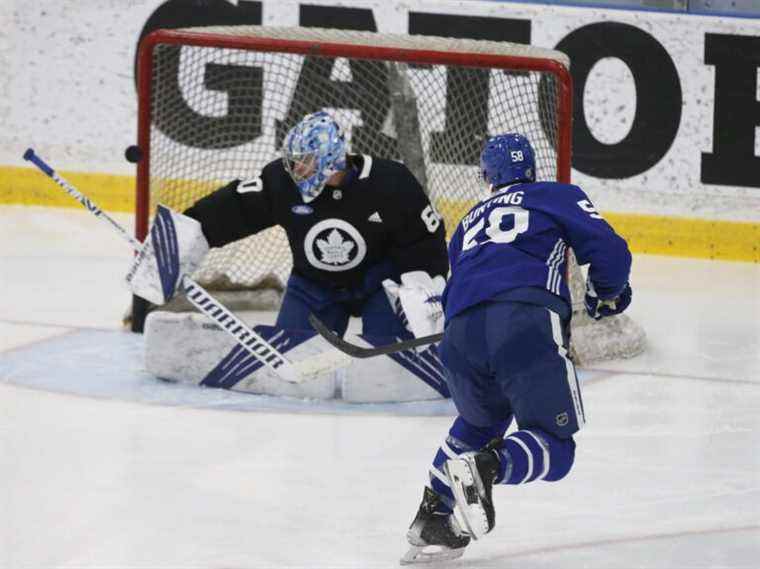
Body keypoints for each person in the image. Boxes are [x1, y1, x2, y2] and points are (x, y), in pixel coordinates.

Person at [401, 133, 632, 564]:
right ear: (531, 171)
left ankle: (431, 517)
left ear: (488, 178)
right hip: (524, 321)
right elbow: (611, 251)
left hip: (460, 336)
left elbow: (454, 295)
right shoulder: (554, 196)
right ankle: (490, 467)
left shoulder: (468, 223)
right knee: (556, 448)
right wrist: (606, 294)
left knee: (477, 421)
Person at [183, 111, 449, 338]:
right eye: (294, 160)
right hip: (313, 286)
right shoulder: (282, 181)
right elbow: (237, 207)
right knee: (291, 356)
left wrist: (425, 288)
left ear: (331, 157)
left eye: (306, 161)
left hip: (381, 287)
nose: (296, 168)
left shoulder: (391, 182)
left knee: (390, 360)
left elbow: (425, 240)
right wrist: (189, 229)